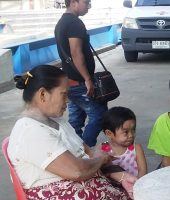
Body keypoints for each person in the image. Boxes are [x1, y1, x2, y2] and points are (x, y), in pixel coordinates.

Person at [9, 65, 136, 199]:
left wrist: (120, 176)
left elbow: (87, 152)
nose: (68, 100)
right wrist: (100, 158)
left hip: (91, 186)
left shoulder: (57, 121)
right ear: (43, 94)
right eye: (63, 94)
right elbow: (77, 171)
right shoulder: (30, 131)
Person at [55, 0, 107, 147]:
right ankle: (85, 151)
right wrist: (87, 78)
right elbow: (76, 53)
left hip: (69, 81)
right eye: (86, 2)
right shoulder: (75, 23)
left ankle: (74, 150)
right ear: (73, 2)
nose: (88, 6)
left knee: (75, 120)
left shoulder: (61, 23)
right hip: (80, 82)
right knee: (100, 116)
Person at [99, 106, 148, 178]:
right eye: (126, 132)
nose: (131, 135)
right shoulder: (102, 150)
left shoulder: (136, 148)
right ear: (109, 133)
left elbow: (143, 171)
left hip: (135, 185)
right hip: (112, 188)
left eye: (133, 130)